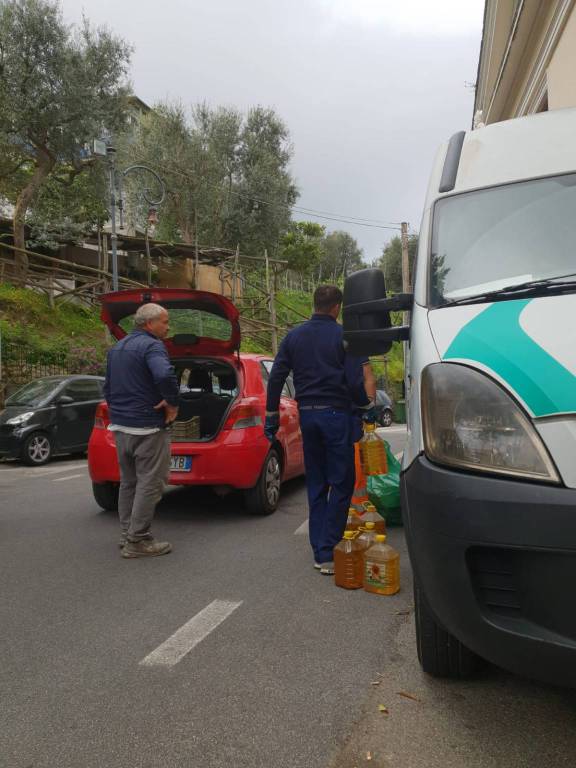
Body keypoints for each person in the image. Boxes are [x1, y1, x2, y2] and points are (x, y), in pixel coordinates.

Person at [264, 285, 376, 574]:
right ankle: (328, 550)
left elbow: (276, 377)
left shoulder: (294, 337)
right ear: (336, 307)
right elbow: (354, 383)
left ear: (315, 304)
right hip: (336, 415)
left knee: (317, 482)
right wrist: (365, 405)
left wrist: (271, 414)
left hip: (307, 417)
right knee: (341, 481)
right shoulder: (344, 337)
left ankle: (320, 550)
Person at [104, 303, 179, 558]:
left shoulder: (118, 347)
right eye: (165, 322)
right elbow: (165, 375)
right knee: (151, 483)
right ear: (150, 324)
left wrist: (118, 411)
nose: (168, 327)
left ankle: (127, 535)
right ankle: (138, 540)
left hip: (120, 426)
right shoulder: (152, 346)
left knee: (129, 483)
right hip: (147, 427)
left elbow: (108, 387)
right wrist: (172, 401)